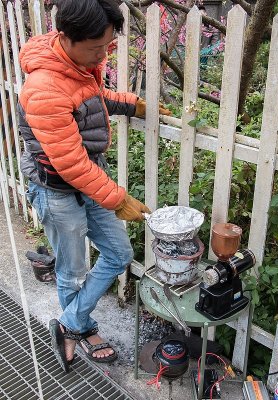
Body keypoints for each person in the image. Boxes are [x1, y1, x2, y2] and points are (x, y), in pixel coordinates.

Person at [18, 0, 171, 372]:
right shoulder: (43, 88)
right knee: (71, 270)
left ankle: (68, 324)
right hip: (57, 188)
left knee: (119, 255)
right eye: (95, 49)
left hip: (89, 181)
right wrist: (119, 200)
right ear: (66, 38)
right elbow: (70, 163)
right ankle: (83, 328)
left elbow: (91, 99)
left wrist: (132, 104)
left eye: (107, 46)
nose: (102, 55)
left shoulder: (77, 65)